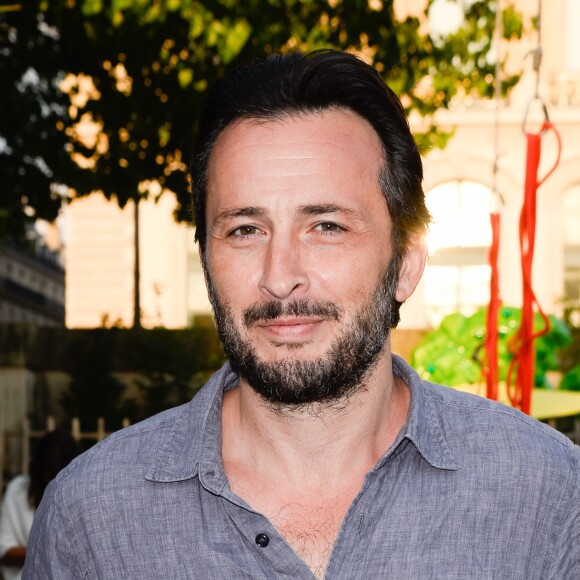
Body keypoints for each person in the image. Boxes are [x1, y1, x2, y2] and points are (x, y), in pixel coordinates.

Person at [24, 50, 579, 579]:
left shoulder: (545, 495)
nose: (279, 274)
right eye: (245, 230)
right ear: (207, 261)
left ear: (406, 264)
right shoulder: (90, 519)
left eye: (327, 227)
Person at [0, 430, 80, 580]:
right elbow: (5, 551)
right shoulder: (18, 489)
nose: (54, 482)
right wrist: (50, 551)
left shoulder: (82, 494)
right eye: (50, 474)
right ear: (39, 468)